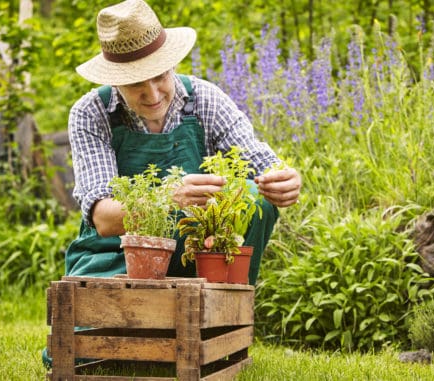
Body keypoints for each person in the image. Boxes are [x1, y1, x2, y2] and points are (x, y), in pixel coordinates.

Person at [64, 0, 301, 286]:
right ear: (115, 81)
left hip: (190, 252)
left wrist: (283, 180)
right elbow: (103, 218)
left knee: (256, 197)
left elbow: (260, 164)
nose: (152, 94)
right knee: (110, 319)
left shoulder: (205, 99)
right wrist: (168, 198)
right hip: (112, 254)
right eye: (136, 83)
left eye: (160, 77)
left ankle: (227, 312)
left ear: (172, 64)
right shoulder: (92, 112)